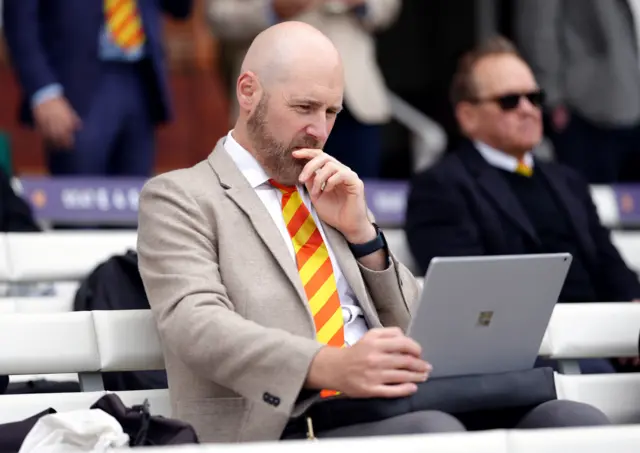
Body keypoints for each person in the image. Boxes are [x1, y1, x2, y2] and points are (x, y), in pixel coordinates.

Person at [137, 23, 609, 443]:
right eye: (304, 107)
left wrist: (364, 236)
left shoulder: (330, 190)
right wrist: (327, 364)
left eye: (331, 112)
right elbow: (194, 325)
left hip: (394, 402)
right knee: (434, 434)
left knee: (573, 419)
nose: (318, 130)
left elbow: (418, 328)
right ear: (247, 91)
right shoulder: (181, 196)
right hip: (285, 418)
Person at [404, 36, 640, 374]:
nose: (528, 108)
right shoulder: (441, 187)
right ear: (468, 116)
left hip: (608, 344)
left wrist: (633, 317)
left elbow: (609, 264)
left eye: (534, 97)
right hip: (531, 357)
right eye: (509, 101)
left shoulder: (567, 180)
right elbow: (472, 295)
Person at [206, 0, 401, 178]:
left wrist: (362, 4)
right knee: (271, 202)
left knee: (357, 198)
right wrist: (274, 8)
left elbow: (386, 9)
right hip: (275, 98)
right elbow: (219, 16)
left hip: (354, 101)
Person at [2, 0, 193, 177]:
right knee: (78, 200)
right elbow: (19, 21)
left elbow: (180, 9)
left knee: (135, 201)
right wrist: (43, 91)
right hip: (73, 87)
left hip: (139, 80)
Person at [514, 0, 640, 184]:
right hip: (583, 108)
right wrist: (553, 98)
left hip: (631, 102)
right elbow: (538, 31)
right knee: (585, 201)